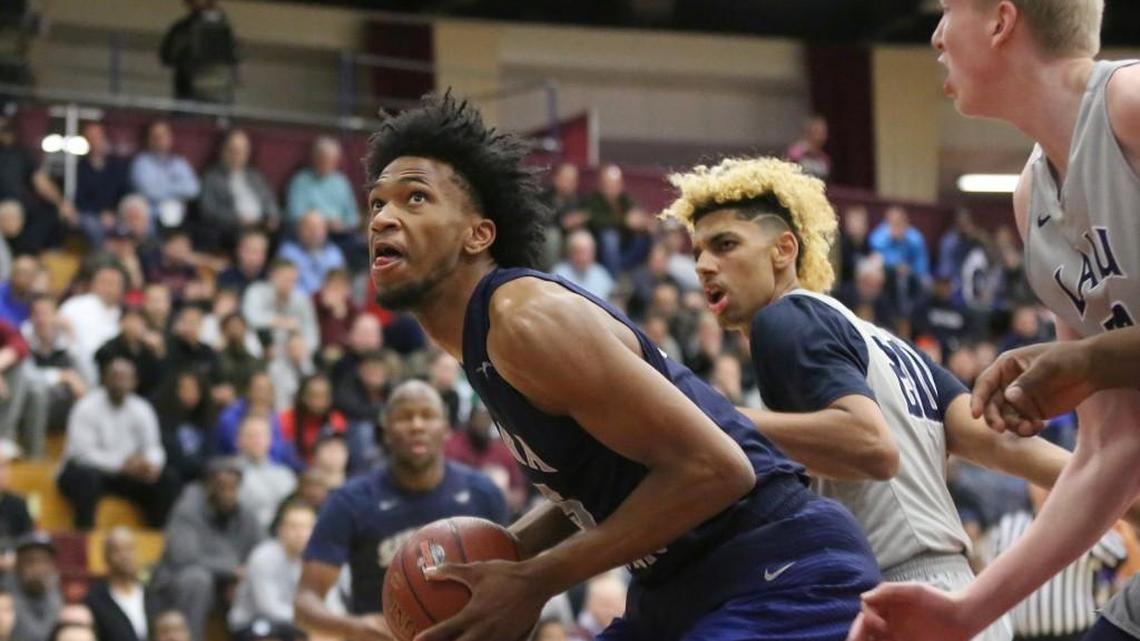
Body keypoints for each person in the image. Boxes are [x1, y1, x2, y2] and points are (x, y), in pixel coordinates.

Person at [352, 93, 881, 641]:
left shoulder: (522, 319)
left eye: (415, 198)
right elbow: (611, 477)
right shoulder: (479, 344)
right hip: (676, 586)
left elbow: (717, 469)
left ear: (477, 235)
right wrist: (510, 554)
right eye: (377, 204)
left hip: (780, 565)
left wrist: (534, 580)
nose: (384, 218)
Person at [664, 156, 1140, 641]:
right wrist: (1129, 499)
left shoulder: (781, 322)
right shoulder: (882, 341)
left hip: (899, 598)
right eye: (698, 251)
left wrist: (723, 417)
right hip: (960, 598)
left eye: (725, 245)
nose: (704, 265)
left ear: (783, 249)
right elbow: (996, 441)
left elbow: (871, 447)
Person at [848, 3, 1140, 641]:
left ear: (1002, 21)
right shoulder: (1032, 196)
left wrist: (1092, 361)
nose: (935, 36)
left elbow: (1100, 371)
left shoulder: (1129, 101)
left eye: (948, 10)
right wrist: (964, 612)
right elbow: (1110, 450)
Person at [293, 380, 508, 641]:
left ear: (446, 428)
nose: (417, 425)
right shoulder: (350, 501)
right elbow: (305, 604)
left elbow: (510, 583)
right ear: (386, 430)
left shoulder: (483, 493)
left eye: (428, 415)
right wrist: (353, 628)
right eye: (405, 417)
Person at [986, 484, 1127, 641]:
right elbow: (991, 584)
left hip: (1076, 635)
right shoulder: (1008, 526)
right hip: (1021, 636)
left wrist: (1080, 521)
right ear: (1028, 486)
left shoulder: (1083, 522)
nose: (1047, 489)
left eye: (1054, 482)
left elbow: (1118, 554)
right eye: (1038, 483)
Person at [57, 357, 180, 530]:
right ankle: (84, 535)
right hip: (89, 470)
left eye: (125, 378)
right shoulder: (86, 406)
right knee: (86, 479)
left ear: (134, 382)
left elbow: (153, 446)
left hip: (128, 474)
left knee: (168, 479)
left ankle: (157, 536)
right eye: (115, 377)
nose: (119, 383)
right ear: (104, 379)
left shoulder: (142, 409)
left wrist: (150, 465)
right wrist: (122, 464)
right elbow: (82, 454)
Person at [151, 458, 264, 641]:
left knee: (253, 582)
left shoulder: (244, 513)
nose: (228, 493)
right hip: (175, 581)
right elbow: (183, 558)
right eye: (222, 486)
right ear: (209, 486)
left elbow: (262, 551)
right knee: (197, 579)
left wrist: (242, 576)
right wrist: (231, 570)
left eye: (233, 487)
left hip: (223, 584)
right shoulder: (187, 509)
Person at [228, 500, 315, 633]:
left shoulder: (316, 559)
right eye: (294, 526)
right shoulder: (263, 557)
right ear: (281, 529)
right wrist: (312, 620)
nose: (301, 533)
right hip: (253, 622)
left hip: (297, 622)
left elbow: (330, 602)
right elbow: (268, 608)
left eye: (306, 527)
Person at [198, 129, 280, 250]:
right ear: (223, 151)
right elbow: (208, 210)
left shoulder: (255, 176)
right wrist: (236, 219)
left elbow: (269, 200)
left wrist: (272, 216)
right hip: (233, 228)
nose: (237, 155)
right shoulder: (212, 177)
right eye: (233, 150)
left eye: (242, 151)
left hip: (261, 225)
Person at [159, 0, 239, 104]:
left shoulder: (183, 28)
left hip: (193, 91)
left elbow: (168, 56)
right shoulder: (224, 26)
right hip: (214, 91)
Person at [84, 527, 156, 641]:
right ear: (106, 557)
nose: (125, 556)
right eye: (117, 550)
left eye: (129, 549)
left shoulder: (153, 594)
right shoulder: (94, 600)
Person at [9, 533, 62, 641]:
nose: (38, 568)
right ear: (17, 564)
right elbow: (35, 636)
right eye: (31, 561)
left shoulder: (53, 585)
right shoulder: (5, 591)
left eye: (45, 561)